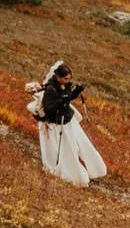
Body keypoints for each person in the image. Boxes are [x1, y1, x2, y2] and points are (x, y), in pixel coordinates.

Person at [28, 60, 107, 188]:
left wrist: (74, 93)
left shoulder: (65, 85)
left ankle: (95, 169)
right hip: (58, 125)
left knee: (83, 145)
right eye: (65, 78)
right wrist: (62, 100)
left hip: (68, 121)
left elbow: (67, 98)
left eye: (69, 78)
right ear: (58, 77)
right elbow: (49, 108)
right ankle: (74, 175)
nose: (68, 80)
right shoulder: (50, 89)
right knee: (69, 149)